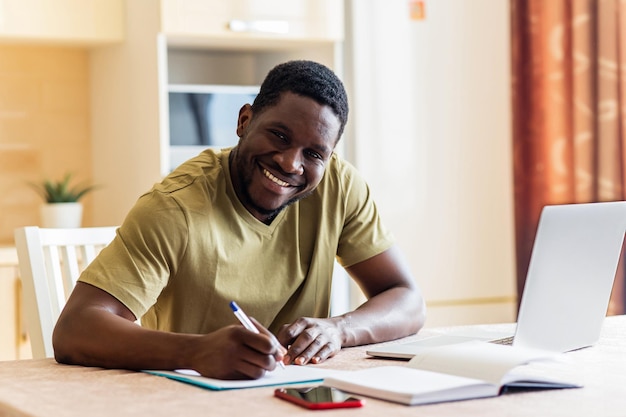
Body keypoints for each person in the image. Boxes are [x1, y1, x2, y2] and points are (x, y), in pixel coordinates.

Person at [53, 60, 426, 380]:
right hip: (187, 400)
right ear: (244, 121)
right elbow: (74, 329)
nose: (290, 163)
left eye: (313, 153)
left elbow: (406, 299)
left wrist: (340, 329)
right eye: (279, 135)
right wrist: (194, 352)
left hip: (296, 394)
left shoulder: (340, 186)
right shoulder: (175, 207)